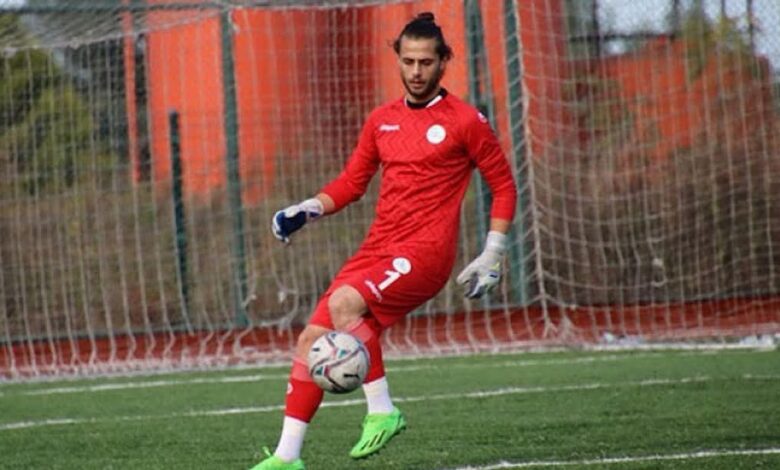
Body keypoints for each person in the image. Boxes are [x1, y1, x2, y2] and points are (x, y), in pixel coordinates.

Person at [252, 11, 517, 470]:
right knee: (312, 339)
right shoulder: (381, 120)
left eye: (426, 62)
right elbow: (351, 184)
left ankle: (382, 410)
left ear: (443, 62)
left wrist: (493, 251)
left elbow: (505, 186)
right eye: (408, 61)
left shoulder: (465, 120)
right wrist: (307, 208)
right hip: (377, 249)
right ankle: (287, 457)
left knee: (345, 304)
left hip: (425, 253)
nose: (416, 72)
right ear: (398, 59)